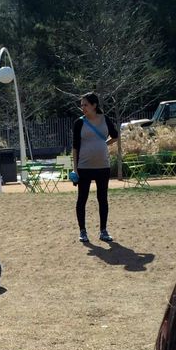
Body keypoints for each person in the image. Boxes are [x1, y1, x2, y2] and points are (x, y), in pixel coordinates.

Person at [71, 93, 119, 243]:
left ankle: (103, 231)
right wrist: (75, 169)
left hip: (103, 166)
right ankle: (82, 231)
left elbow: (116, 136)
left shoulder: (105, 120)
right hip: (84, 166)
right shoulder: (79, 123)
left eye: (85, 104)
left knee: (102, 199)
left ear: (94, 105)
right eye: (81, 105)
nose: (82, 108)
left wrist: (104, 145)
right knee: (82, 199)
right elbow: (75, 147)